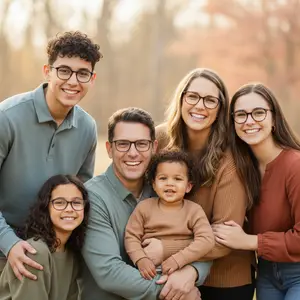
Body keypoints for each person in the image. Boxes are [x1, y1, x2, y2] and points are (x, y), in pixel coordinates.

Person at [0, 31, 102, 280]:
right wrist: (9, 243)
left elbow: (82, 192)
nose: (73, 81)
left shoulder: (87, 128)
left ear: (92, 78)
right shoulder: (7, 117)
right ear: (47, 71)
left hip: (53, 247)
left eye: (82, 73)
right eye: (64, 70)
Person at [81, 107, 206, 300]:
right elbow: (109, 273)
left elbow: (202, 243)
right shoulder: (93, 197)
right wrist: (173, 290)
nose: (133, 153)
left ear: (154, 148)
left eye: (141, 144)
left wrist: (193, 272)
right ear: (109, 149)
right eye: (123, 144)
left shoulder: (167, 188)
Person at [153, 68, 255, 300]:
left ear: (221, 109)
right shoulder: (159, 139)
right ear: (181, 99)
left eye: (210, 100)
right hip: (167, 272)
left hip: (225, 279)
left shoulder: (230, 161)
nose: (200, 106)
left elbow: (224, 237)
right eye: (193, 96)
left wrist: (166, 250)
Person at [212, 82, 300, 300]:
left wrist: (250, 242)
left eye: (258, 113)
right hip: (267, 273)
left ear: (274, 119)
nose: (249, 121)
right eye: (241, 115)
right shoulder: (240, 168)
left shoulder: (295, 165)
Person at [125, 150, 215, 280]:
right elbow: (131, 237)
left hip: (182, 271)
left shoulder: (194, 210)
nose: (170, 183)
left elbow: (206, 240)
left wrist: (178, 259)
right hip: (148, 272)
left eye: (177, 179)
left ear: (188, 186)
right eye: (163, 178)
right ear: (154, 185)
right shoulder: (144, 207)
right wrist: (141, 259)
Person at [0, 174, 90, 300]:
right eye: (59, 202)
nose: (69, 209)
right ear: (46, 208)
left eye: (76, 202)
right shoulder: (35, 252)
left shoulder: (71, 252)